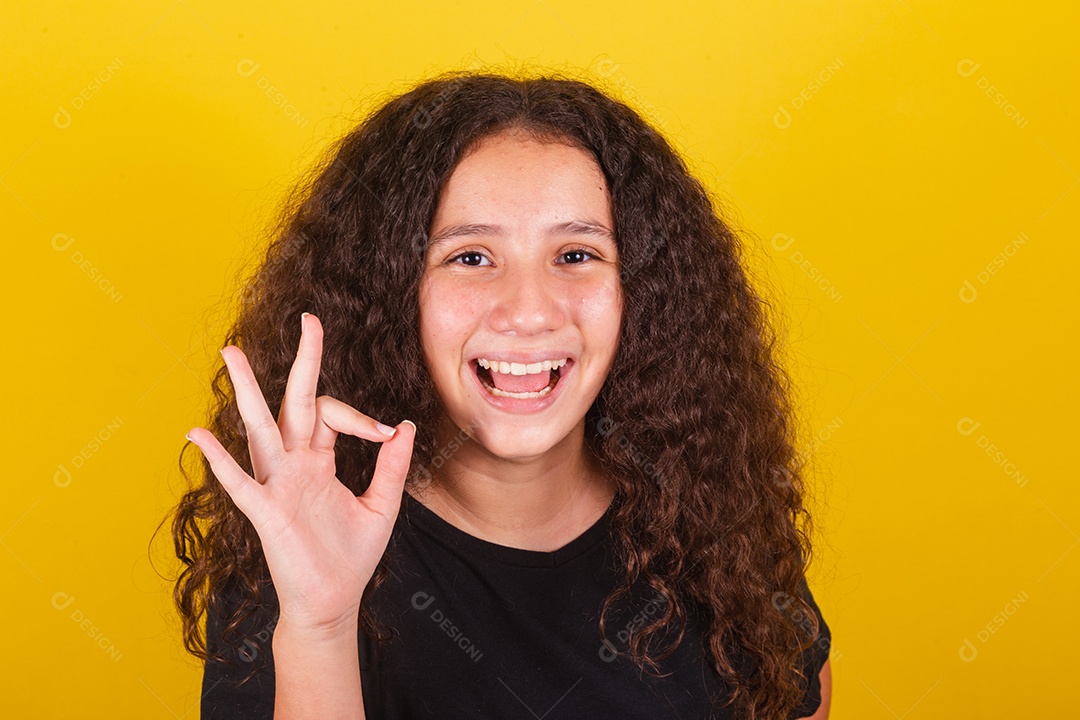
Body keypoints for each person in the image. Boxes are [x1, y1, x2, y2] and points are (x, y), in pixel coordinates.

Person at [169, 70, 832, 720]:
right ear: (393, 291)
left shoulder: (711, 523)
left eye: (576, 255)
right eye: (472, 257)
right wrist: (320, 626)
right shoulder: (304, 542)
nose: (529, 311)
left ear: (648, 292)